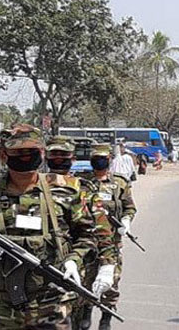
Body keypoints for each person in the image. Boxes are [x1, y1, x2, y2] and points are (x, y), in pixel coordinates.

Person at [0, 124, 97, 329]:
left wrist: (74, 260)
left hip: (51, 304)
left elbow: (88, 236)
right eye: (18, 152)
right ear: (3, 154)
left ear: (43, 153)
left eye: (32, 151)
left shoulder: (66, 191)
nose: (26, 156)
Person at [46, 136, 117, 330]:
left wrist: (107, 265)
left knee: (73, 320)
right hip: (36, 269)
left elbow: (101, 230)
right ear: (45, 156)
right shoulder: (31, 187)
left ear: (72, 159)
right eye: (54, 154)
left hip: (75, 267)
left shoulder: (84, 190)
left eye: (64, 155)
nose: (59, 159)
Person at [80, 144, 137, 330]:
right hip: (86, 240)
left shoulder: (119, 183)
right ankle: (86, 312)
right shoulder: (81, 182)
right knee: (85, 280)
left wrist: (126, 220)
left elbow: (129, 206)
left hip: (112, 241)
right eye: (96, 158)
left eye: (103, 158)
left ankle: (106, 317)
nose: (99, 161)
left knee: (111, 281)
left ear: (110, 160)